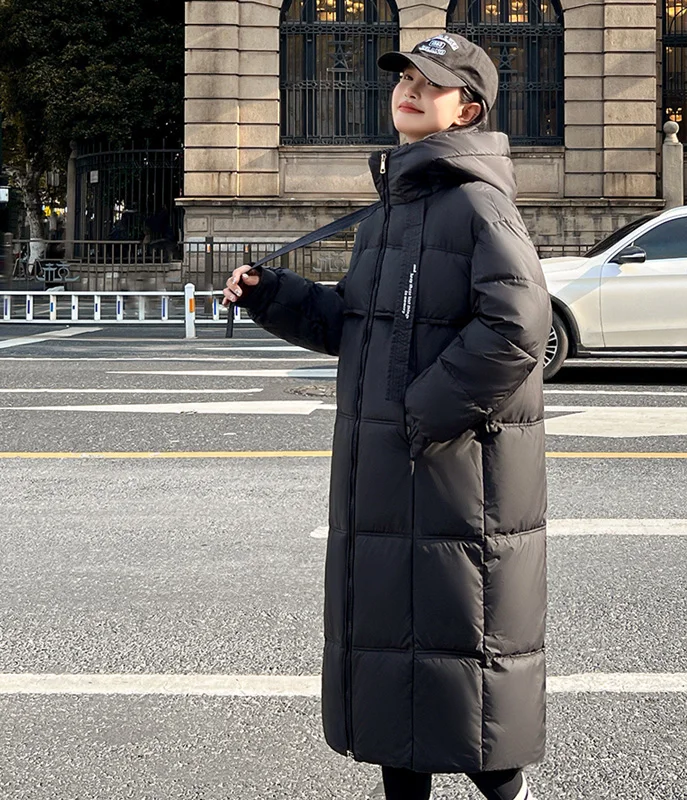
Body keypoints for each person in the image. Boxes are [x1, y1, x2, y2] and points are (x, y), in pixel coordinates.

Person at [224, 33, 551, 800]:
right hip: (391, 487)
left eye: (429, 81)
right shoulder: (395, 212)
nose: (408, 88)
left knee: (467, 691)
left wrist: (418, 416)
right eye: (405, 75)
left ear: (466, 108)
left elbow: (517, 328)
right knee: (395, 692)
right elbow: (355, 325)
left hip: (454, 491)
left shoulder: (476, 202)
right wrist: (274, 295)